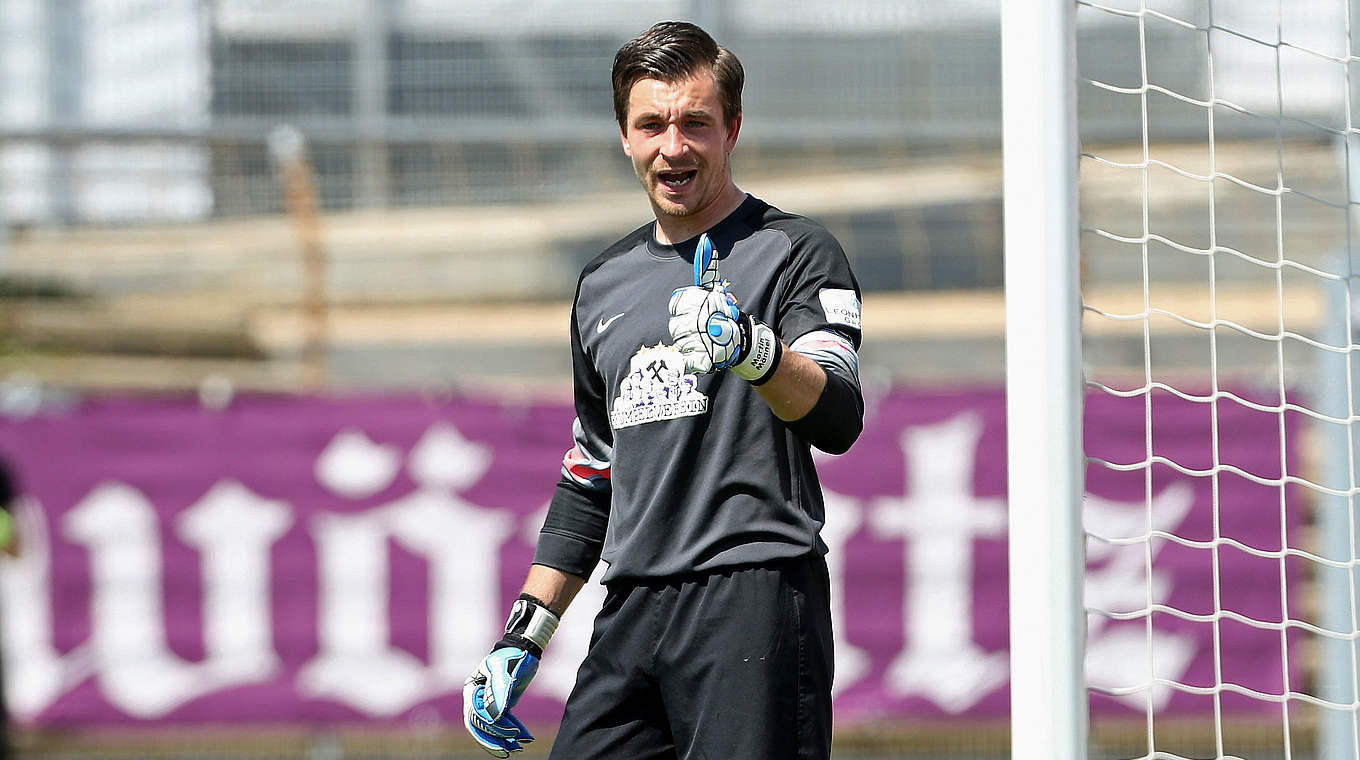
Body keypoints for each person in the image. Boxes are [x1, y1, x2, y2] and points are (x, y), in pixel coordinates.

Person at [463, 20, 864, 760]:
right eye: (651, 124)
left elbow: (839, 414)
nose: (672, 147)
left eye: (695, 124)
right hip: (632, 608)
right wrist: (526, 631)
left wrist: (753, 349)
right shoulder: (601, 285)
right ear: (624, 135)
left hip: (753, 593)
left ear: (733, 129)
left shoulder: (798, 252)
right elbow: (591, 476)